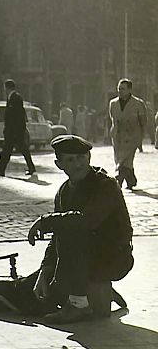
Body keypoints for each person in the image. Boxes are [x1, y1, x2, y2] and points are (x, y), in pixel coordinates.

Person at [24, 135, 133, 323]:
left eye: (82, 157)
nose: (78, 164)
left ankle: (78, 304)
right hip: (86, 258)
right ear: (59, 164)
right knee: (31, 290)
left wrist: (45, 222)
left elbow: (84, 222)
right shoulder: (64, 191)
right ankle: (87, 290)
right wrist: (45, 270)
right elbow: (57, 238)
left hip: (114, 257)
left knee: (73, 227)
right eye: (70, 160)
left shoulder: (105, 184)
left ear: (89, 157)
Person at [0, 79, 36, 176]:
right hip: (12, 129)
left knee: (19, 148)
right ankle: (1, 168)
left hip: (15, 130)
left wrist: (15, 129)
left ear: (7, 88)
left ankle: (31, 168)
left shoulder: (16, 97)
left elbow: (18, 115)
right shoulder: (11, 97)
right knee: (8, 149)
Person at [109, 78, 146, 190]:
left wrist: (141, 138)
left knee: (125, 160)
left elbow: (143, 121)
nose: (120, 91)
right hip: (117, 136)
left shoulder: (138, 104)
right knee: (121, 159)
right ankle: (131, 180)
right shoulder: (113, 103)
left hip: (132, 136)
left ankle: (118, 180)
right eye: (119, 89)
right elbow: (112, 119)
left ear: (130, 90)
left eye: (123, 89)